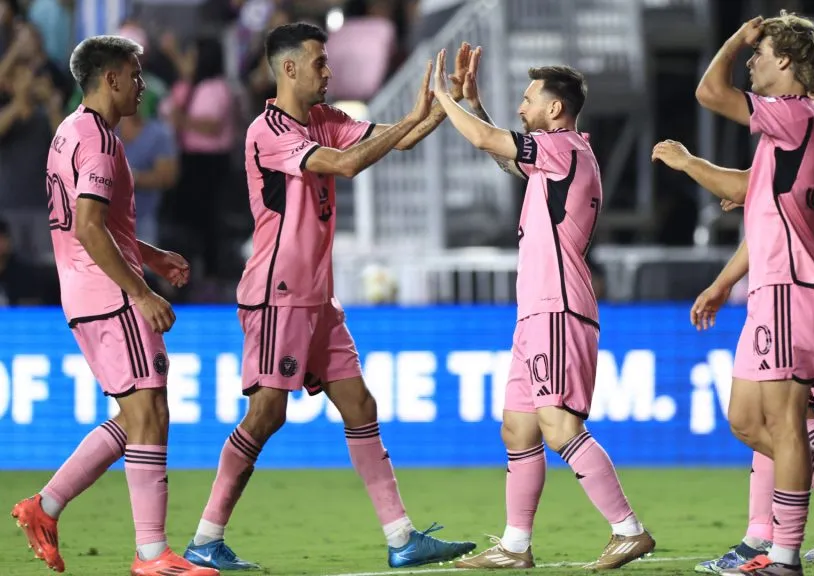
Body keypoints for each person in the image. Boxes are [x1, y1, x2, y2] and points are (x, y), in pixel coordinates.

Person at [180, 24, 477, 571]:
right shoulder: (266, 130)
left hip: (318, 300)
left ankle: (401, 538)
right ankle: (204, 539)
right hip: (278, 296)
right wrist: (413, 117)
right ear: (288, 68)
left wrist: (445, 104)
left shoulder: (325, 120)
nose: (329, 71)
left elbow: (398, 138)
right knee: (266, 415)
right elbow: (345, 164)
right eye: (319, 62)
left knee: (360, 406)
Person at [654, 32, 814, 576]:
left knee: (784, 424)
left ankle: (782, 556)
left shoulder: (795, 114)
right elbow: (751, 191)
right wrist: (721, 281)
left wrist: (737, 37)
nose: (751, 64)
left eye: (759, 56)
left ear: (784, 61)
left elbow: (710, 92)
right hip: (769, 288)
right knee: (744, 421)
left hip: (790, 286)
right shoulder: (801, 126)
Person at [430, 46, 655, 570]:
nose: (521, 106)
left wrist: (442, 96)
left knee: (557, 426)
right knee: (518, 428)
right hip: (535, 312)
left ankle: (628, 530)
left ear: (556, 109)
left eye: (529, 98)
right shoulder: (554, 158)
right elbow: (505, 153)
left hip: (558, 307)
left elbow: (491, 141)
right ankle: (513, 546)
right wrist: (475, 103)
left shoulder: (564, 147)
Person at [11, 35, 212, 576]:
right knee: (149, 412)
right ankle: (151, 555)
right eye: (136, 74)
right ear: (112, 78)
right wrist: (141, 291)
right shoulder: (98, 143)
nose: (143, 86)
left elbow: (90, 228)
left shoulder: (71, 131)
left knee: (138, 414)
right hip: (108, 296)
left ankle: (44, 507)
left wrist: (151, 255)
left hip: (85, 291)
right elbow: (90, 226)